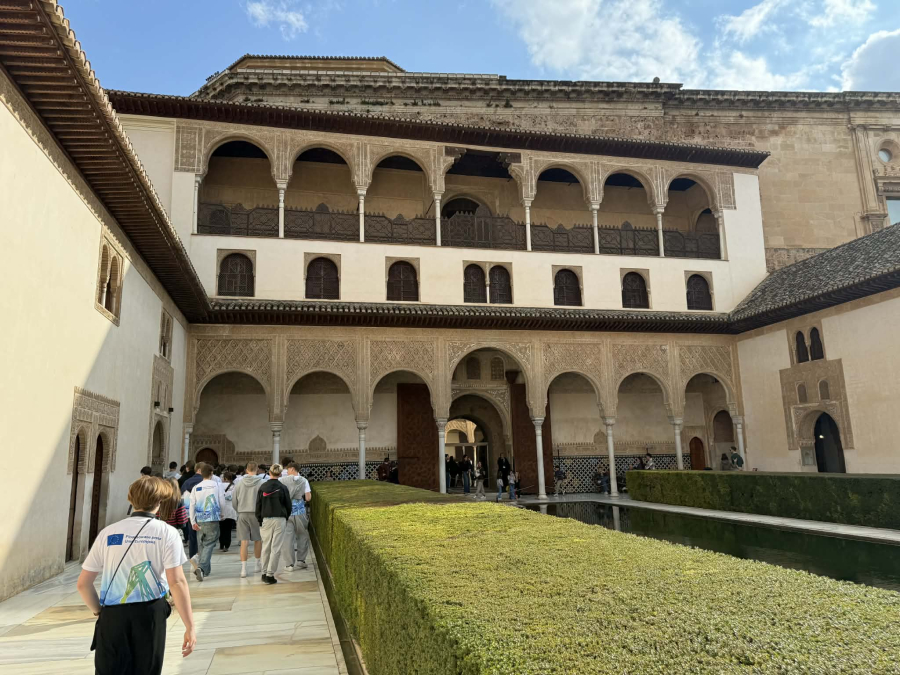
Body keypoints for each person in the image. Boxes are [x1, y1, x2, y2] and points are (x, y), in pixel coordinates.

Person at [77, 476, 196, 674]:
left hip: (112, 614)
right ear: (159, 502)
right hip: (149, 614)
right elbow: (176, 582)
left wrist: (99, 612)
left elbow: (83, 584)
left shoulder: (108, 532)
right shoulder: (167, 533)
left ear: (131, 500)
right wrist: (189, 626)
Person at [188, 463, 225, 582]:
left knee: (202, 544)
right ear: (211, 473)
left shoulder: (196, 487)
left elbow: (192, 505)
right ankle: (202, 568)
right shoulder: (217, 485)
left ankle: (205, 571)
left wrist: (192, 521)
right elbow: (221, 501)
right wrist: (222, 513)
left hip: (200, 518)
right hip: (213, 517)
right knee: (209, 543)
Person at [256, 464, 291, 584]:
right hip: (279, 518)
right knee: (276, 547)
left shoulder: (263, 487)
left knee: (266, 546)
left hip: (266, 519)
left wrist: (259, 519)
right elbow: (288, 505)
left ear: (269, 473)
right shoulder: (283, 488)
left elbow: (258, 505)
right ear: (280, 474)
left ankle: (264, 572)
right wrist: (286, 517)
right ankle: (270, 574)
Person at [233, 462, 265, 578]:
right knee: (258, 539)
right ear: (257, 469)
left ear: (246, 470)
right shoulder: (262, 482)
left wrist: (239, 510)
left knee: (244, 541)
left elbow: (234, 501)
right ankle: (257, 564)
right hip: (256, 514)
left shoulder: (239, 483)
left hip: (242, 513)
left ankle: (243, 569)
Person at [280, 462, 312, 571]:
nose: (287, 471)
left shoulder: (282, 480)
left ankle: (289, 564)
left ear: (292, 469)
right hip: (300, 511)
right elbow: (308, 498)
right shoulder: (304, 480)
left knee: (287, 538)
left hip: (287, 512)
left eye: (288, 469)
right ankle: (301, 561)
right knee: (302, 535)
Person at [219, 471, 237, 553]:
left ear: (225, 478)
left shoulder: (219, 486)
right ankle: (227, 545)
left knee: (221, 528)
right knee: (228, 529)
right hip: (231, 509)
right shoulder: (234, 486)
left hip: (221, 509)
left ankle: (221, 544)